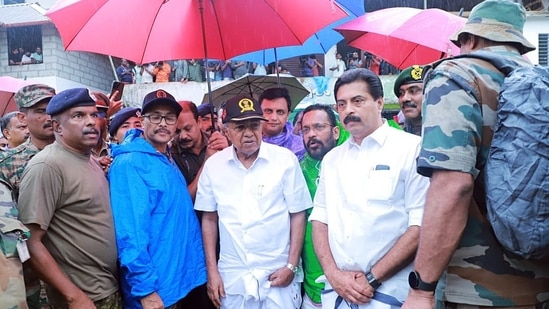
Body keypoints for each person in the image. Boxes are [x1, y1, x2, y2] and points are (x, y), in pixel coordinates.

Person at [402, 1, 549, 308]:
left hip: (474, 289)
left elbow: (454, 185)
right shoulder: (541, 82)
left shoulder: (458, 75)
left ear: (470, 39)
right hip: (539, 284)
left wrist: (422, 289)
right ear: (517, 42)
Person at [310, 68, 429, 309]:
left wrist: (372, 279)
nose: (349, 110)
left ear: (379, 102)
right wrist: (334, 275)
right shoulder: (332, 159)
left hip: (391, 293)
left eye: (358, 101)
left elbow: (420, 225)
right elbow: (320, 221)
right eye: (342, 104)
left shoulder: (412, 149)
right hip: (339, 293)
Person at [195, 94, 311, 308]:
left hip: (277, 272)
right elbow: (209, 219)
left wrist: (292, 265)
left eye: (254, 126)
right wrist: (212, 272)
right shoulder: (214, 166)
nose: (249, 134)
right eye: (240, 127)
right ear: (226, 129)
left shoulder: (285, 160)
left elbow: (298, 214)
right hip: (233, 275)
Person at [18, 88, 121, 309]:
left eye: (94, 114)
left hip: (107, 287)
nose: (91, 121)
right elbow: (31, 241)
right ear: (57, 127)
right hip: (84, 297)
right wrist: (73, 295)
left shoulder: (90, 158)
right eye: (79, 116)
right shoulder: (47, 166)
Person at [108, 90, 206, 309]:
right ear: (142, 121)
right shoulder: (130, 164)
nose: (163, 123)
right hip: (155, 292)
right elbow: (130, 234)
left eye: (169, 118)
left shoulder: (164, 156)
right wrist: (146, 290)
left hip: (175, 282)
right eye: (155, 116)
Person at [0, 84, 56, 309]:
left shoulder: (81, 157)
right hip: (33, 275)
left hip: (76, 266)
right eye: (41, 111)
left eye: (53, 108)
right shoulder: (8, 164)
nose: (49, 116)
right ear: (23, 117)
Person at [299, 104, 350, 309]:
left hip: (353, 281)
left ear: (336, 131)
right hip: (313, 286)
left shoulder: (353, 164)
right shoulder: (296, 171)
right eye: (306, 129)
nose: (311, 134)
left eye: (319, 127)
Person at [172, 100, 228, 200]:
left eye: (188, 128)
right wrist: (206, 163)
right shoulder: (170, 156)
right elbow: (184, 200)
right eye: (177, 131)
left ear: (198, 122)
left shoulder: (218, 143)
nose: (183, 136)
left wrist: (229, 153)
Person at [259, 87, 306, 160]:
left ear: (288, 115)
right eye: (268, 111)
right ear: (259, 113)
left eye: (280, 112)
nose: (274, 118)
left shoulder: (301, 147)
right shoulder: (249, 144)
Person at [393, 65, 424, 136]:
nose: (405, 98)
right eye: (401, 93)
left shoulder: (446, 131)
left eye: (413, 91)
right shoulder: (396, 135)